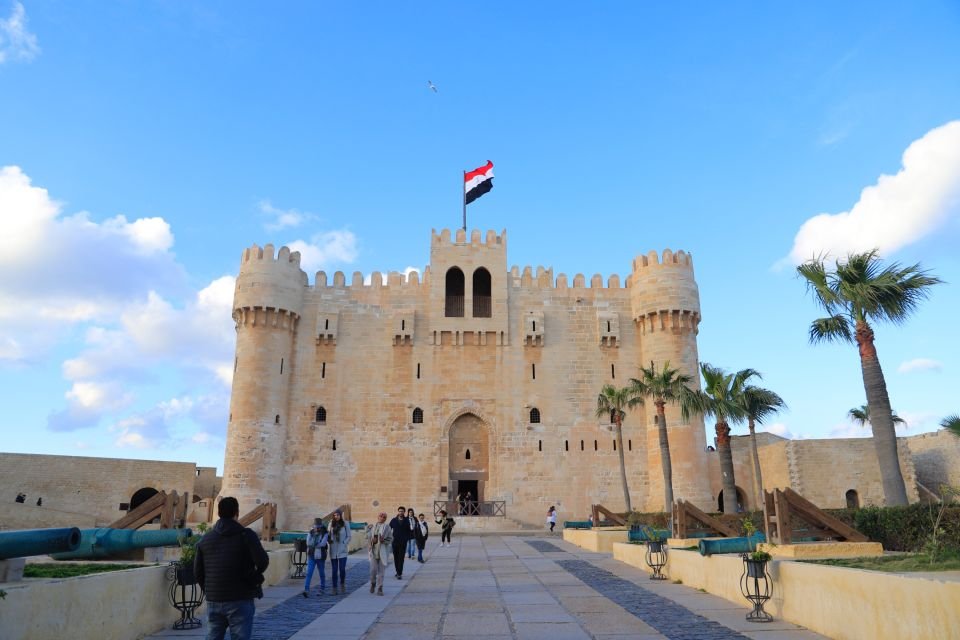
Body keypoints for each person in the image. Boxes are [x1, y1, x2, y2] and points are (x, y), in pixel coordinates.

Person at [195, 497, 269, 640]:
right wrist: (253, 576)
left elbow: (198, 572)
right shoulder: (246, 535)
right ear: (237, 512)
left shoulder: (206, 539)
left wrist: (210, 590)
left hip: (214, 598)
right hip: (240, 597)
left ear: (219, 512)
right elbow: (263, 561)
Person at [366, 512, 393, 595]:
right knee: (373, 570)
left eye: (384, 517)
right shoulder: (372, 527)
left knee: (381, 571)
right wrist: (371, 540)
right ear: (378, 517)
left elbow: (390, 539)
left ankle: (380, 588)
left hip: (382, 551)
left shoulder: (387, 527)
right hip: (374, 551)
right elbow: (367, 537)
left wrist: (383, 541)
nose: (382, 518)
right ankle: (373, 583)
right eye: (381, 516)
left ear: (385, 519)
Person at [302, 518, 328, 597]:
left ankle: (322, 588)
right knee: (309, 573)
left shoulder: (325, 533)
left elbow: (323, 544)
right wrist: (315, 543)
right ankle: (306, 589)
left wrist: (314, 544)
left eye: (318, 526)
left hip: (320, 556)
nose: (317, 528)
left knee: (321, 573)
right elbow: (308, 542)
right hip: (312, 555)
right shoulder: (311, 532)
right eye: (315, 526)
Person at [327, 510, 351, 594]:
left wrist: (344, 543)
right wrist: (329, 540)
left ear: (340, 515)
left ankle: (342, 584)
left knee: (342, 569)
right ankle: (334, 588)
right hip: (333, 550)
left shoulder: (345, 524)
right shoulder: (331, 524)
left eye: (337, 515)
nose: (336, 516)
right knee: (334, 570)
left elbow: (349, 536)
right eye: (334, 515)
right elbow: (328, 535)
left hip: (342, 550)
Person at [389, 506, 411, 579]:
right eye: (399, 511)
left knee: (401, 558)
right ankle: (397, 571)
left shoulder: (407, 520)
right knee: (396, 558)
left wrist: (406, 538)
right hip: (395, 542)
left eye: (402, 511)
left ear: (404, 512)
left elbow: (409, 531)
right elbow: (389, 529)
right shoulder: (393, 520)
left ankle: (399, 573)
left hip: (403, 543)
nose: (401, 512)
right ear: (398, 512)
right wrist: (390, 538)